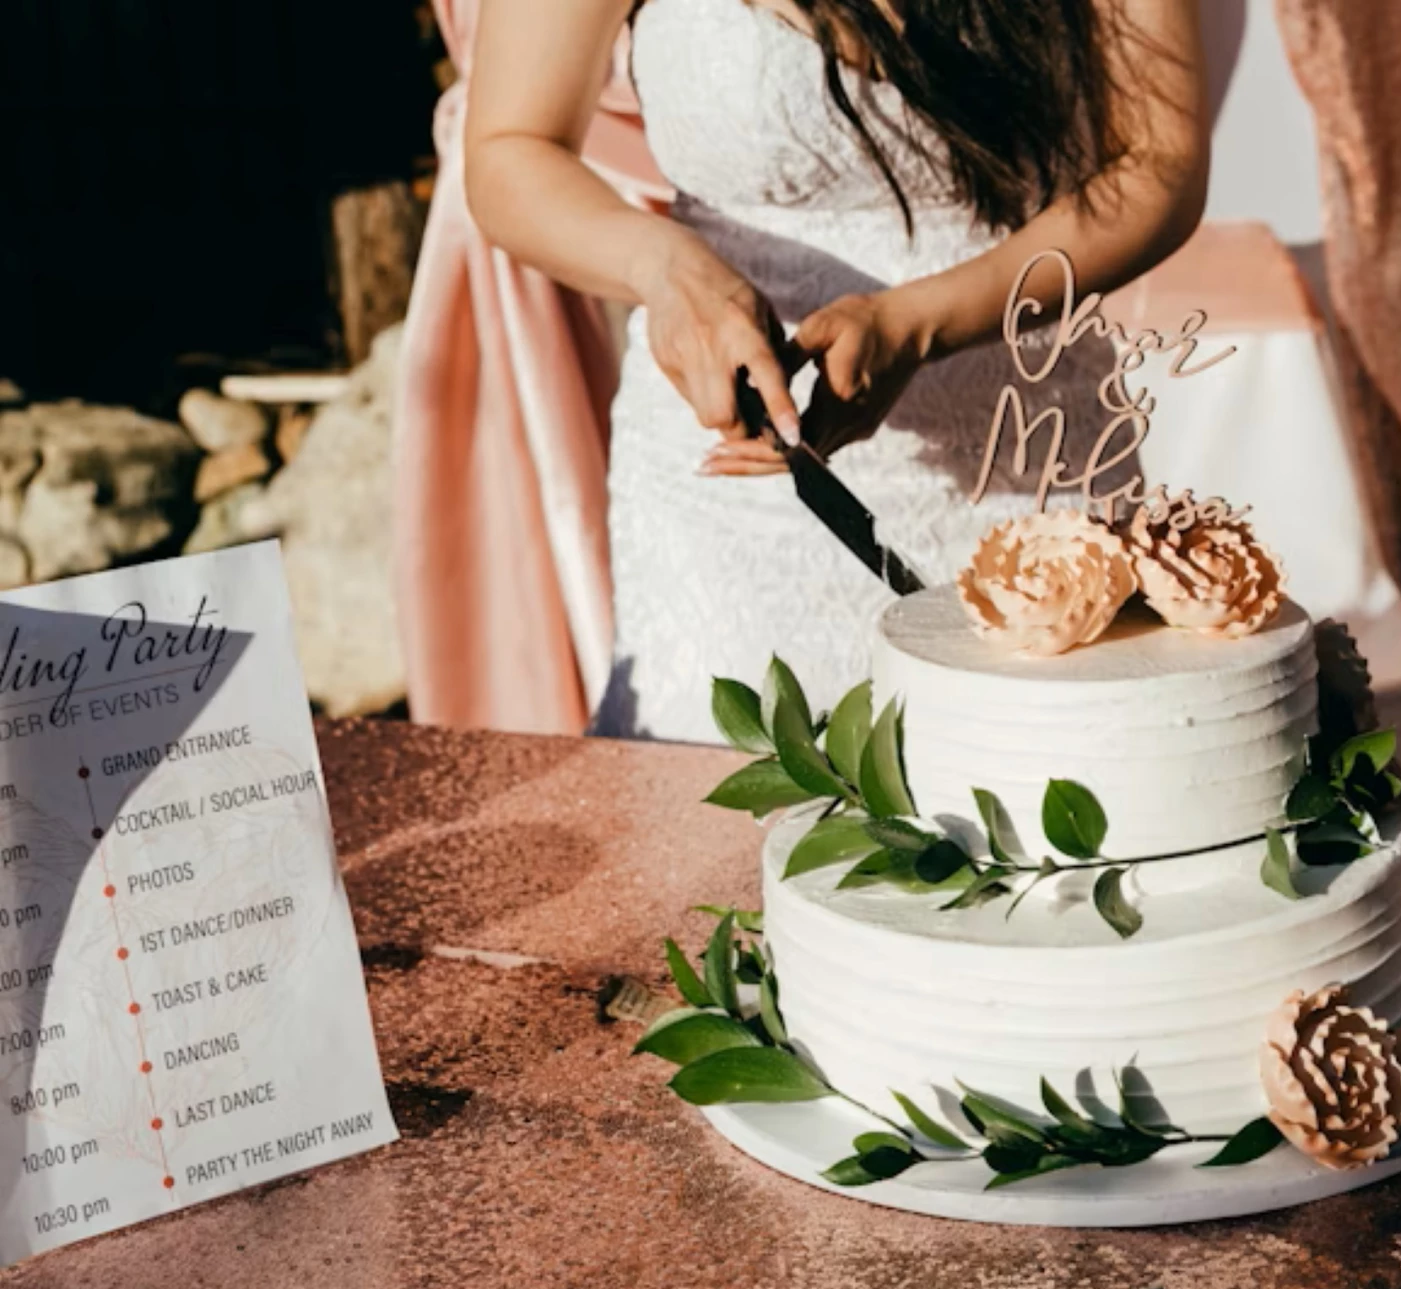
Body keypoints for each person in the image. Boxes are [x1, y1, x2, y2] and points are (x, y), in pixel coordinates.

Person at [464, 0, 1208, 739]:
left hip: (1026, 465)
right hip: (732, 497)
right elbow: (510, 148)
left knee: (1051, 802)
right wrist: (663, 269)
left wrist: (919, 325)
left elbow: (1158, 162)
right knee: (723, 828)